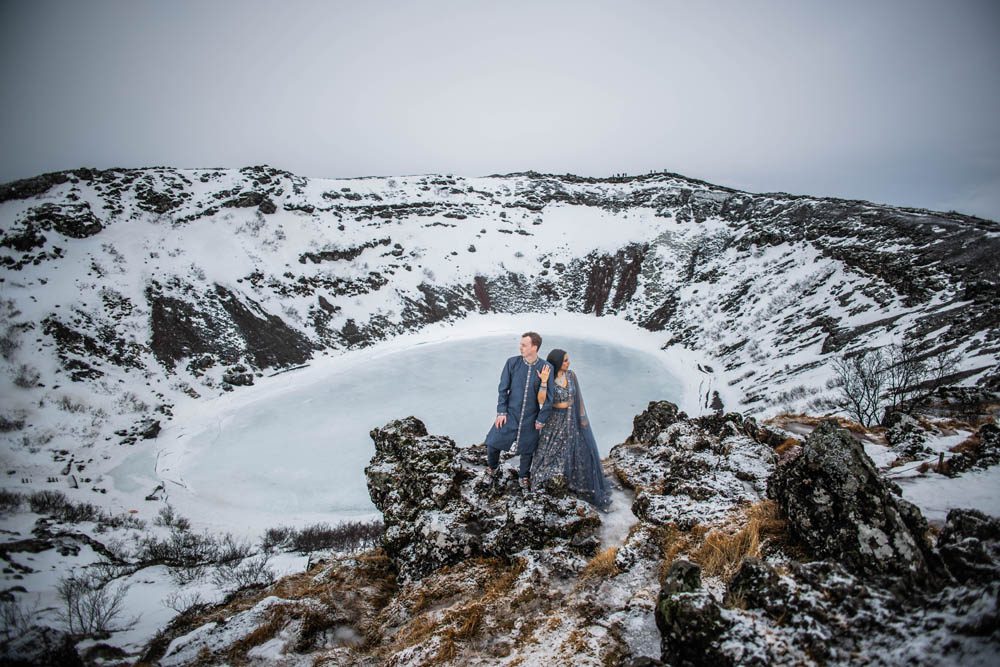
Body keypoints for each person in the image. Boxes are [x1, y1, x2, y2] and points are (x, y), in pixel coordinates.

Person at [530, 349, 612, 510]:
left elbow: (578, 397)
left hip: (571, 418)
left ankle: (573, 482)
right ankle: (547, 479)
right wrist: (544, 382)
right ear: (557, 362)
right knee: (551, 450)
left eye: (568, 360)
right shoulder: (549, 378)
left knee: (574, 448)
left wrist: (582, 416)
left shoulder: (571, 375)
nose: (568, 363)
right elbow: (541, 400)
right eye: (565, 360)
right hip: (555, 420)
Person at [484, 332, 554, 493]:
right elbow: (503, 389)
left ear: (534, 347)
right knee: (493, 443)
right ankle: (492, 468)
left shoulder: (546, 368)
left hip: (531, 417)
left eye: (524, 345)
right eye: (520, 344)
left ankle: (523, 476)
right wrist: (501, 412)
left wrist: (541, 419)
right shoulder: (512, 363)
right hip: (510, 414)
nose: (520, 347)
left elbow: (549, 398)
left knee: (527, 450)